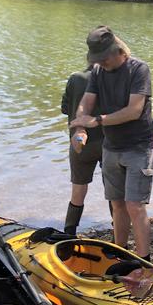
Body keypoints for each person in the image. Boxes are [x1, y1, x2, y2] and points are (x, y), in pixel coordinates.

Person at [70, 26, 153, 260]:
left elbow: (134, 111)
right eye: (97, 59)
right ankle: (120, 255)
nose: (101, 63)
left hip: (139, 146)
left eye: (104, 58)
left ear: (117, 49)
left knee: (134, 205)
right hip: (111, 147)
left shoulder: (139, 69)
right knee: (117, 204)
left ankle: (143, 261)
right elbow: (86, 103)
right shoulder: (98, 72)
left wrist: (96, 121)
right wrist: (80, 128)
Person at [61, 62, 101, 235]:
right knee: (113, 191)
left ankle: (69, 232)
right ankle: (118, 233)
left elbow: (64, 108)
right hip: (106, 142)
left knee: (78, 188)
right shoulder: (109, 79)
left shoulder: (75, 78)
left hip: (79, 142)